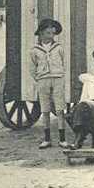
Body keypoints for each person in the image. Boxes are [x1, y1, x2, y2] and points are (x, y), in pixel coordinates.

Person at [30, 18, 70, 149]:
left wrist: (60, 74)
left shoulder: (58, 48)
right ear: (41, 33)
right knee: (45, 110)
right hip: (43, 80)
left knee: (59, 109)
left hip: (57, 79)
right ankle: (47, 139)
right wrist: (39, 77)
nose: (51, 36)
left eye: (53, 33)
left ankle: (62, 139)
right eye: (48, 33)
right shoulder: (35, 50)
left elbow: (64, 62)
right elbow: (32, 66)